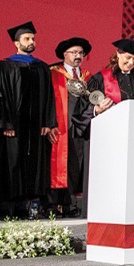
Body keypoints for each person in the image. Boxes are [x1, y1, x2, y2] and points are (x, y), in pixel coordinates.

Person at [0, 21, 57, 219]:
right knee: (12, 163)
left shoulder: (41, 67)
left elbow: (49, 96)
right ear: (16, 42)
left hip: (35, 126)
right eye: (26, 39)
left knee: (33, 164)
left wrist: (48, 122)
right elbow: (1, 95)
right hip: (14, 126)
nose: (31, 42)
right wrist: (7, 122)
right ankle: (7, 207)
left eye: (33, 39)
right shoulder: (5, 65)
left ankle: (28, 205)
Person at [48, 37, 91, 217]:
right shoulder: (53, 73)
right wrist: (49, 124)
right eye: (74, 52)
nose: (78, 56)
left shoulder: (87, 77)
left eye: (81, 53)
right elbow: (47, 101)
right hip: (59, 126)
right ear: (65, 55)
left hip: (80, 128)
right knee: (56, 164)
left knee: (76, 163)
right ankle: (53, 204)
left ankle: (72, 204)